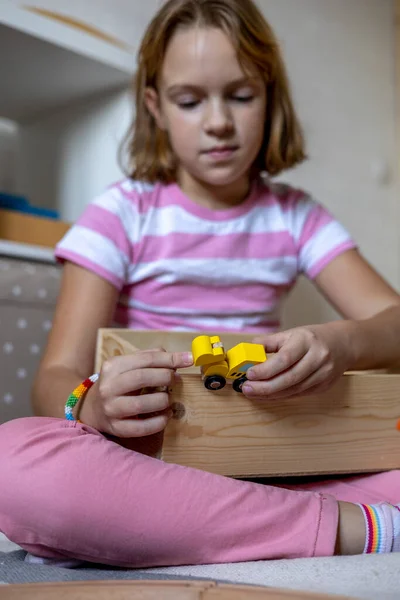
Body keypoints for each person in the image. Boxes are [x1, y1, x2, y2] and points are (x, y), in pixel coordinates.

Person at [1, 0, 400, 568]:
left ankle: (257, 519)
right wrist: (90, 407)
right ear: (156, 108)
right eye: (190, 101)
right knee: (12, 460)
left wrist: (341, 343)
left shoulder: (294, 216)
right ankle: (350, 524)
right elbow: (54, 379)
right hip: (150, 462)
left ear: (270, 98)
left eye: (240, 95)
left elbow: (394, 321)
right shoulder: (121, 213)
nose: (218, 121)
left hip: (275, 456)